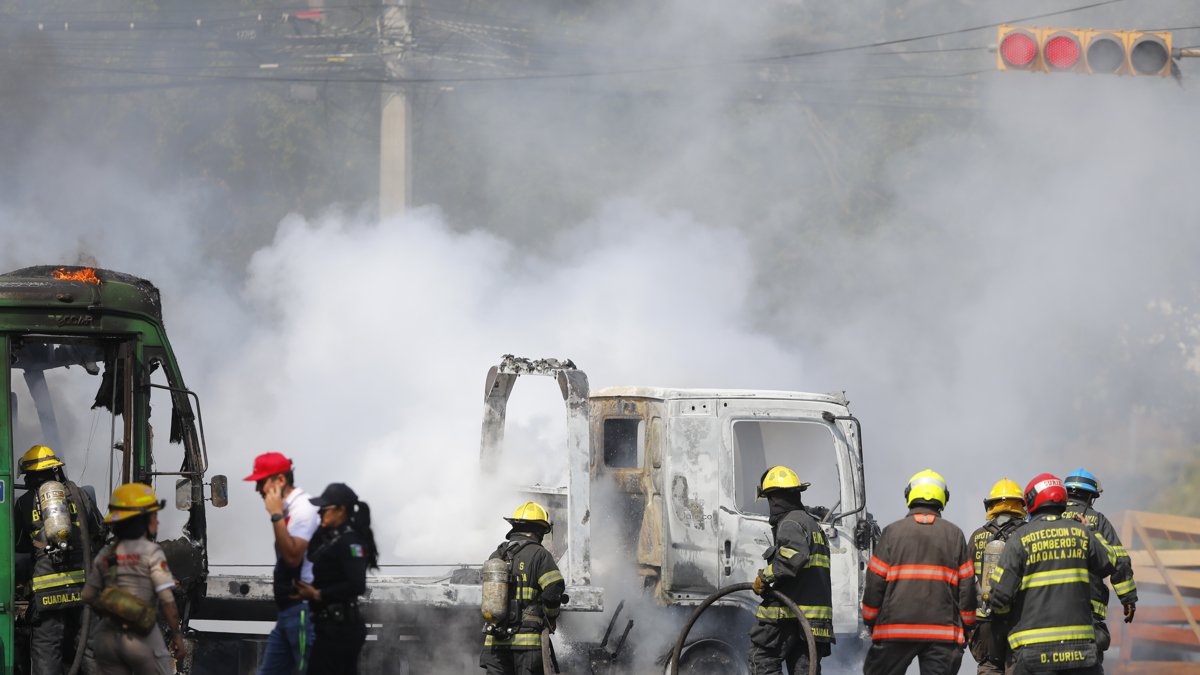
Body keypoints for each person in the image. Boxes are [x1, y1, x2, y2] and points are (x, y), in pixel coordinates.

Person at [988, 474, 1117, 675]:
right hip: (1081, 655)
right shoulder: (1081, 533)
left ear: (1031, 501)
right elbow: (1111, 561)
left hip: (1034, 656)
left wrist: (1005, 622)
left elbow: (999, 597)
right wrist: (1091, 530)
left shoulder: (1020, 538)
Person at [861, 469, 975, 675]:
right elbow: (966, 587)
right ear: (943, 498)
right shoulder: (955, 535)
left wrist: (870, 619)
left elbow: (875, 581)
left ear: (909, 495)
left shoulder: (892, 532)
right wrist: (968, 626)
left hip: (894, 631)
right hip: (943, 634)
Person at [14, 444, 105, 675]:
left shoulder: (24, 502)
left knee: (47, 648)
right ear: (56, 470)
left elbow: (20, 546)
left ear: (30, 475)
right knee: (89, 647)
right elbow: (98, 530)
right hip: (83, 587)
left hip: (47, 591)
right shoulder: (79, 494)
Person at [82, 483, 187, 675]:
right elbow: (167, 600)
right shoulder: (151, 552)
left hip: (106, 640)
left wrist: (114, 607)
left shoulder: (106, 553)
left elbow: (88, 595)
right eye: (153, 516)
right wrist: (177, 635)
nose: (157, 521)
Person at [748, 466, 834, 675]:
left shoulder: (791, 522)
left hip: (787, 615)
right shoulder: (813, 526)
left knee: (762, 660)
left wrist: (764, 577)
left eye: (770, 499)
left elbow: (793, 558)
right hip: (813, 621)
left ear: (775, 499)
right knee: (804, 670)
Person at [244, 452, 320, 675]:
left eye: (261, 482)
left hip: (303, 612)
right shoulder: (291, 510)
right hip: (290, 613)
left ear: (281, 480)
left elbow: (293, 556)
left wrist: (276, 516)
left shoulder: (302, 510)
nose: (258, 490)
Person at [294, 483, 379, 675]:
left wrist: (318, 594)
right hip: (326, 627)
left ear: (341, 510)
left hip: (340, 630)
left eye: (325, 509)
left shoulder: (351, 542)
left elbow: (356, 584)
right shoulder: (331, 539)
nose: (320, 513)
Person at [479, 502, 565, 675]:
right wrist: (551, 616)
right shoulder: (539, 554)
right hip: (527, 644)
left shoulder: (496, 556)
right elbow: (554, 589)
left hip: (495, 643)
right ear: (539, 530)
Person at [1061, 468, 1137, 661]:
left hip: (1047, 609)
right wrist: (1127, 599)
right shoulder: (1098, 521)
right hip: (1089, 610)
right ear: (1090, 497)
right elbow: (1119, 561)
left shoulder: (1048, 520)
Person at [967, 478, 1027, 675]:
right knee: (1017, 668)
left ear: (991, 505)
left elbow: (966, 582)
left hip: (985, 622)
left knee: (989, 667)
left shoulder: (977, 536)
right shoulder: (1028, 534)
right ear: (1020, 505)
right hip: (1019, 619)